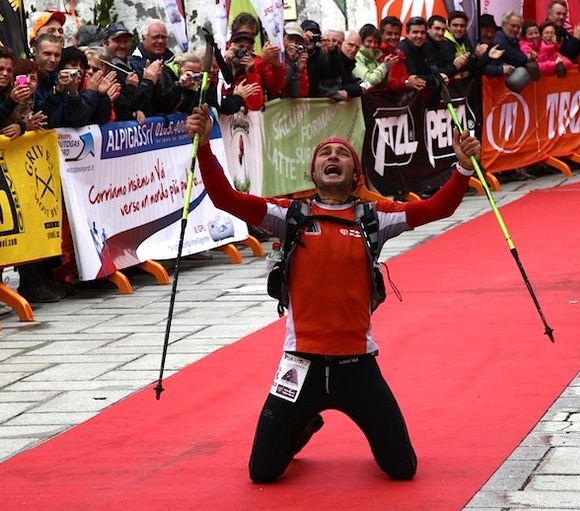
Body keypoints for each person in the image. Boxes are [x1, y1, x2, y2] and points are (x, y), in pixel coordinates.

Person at [185, 104, 482, 483]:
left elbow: (435, 208)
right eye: (325, 152)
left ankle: (308, 418)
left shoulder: (375, 217)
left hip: (357, 366)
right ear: (313, 172)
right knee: (262, 473)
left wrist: (462, 168)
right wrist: (204, 146)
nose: (333, 157)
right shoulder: (288, 214)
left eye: (342, 153)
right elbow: (227, 199)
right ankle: (301, 423)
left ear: (354, 173)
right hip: (300, 365)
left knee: (402, 469)